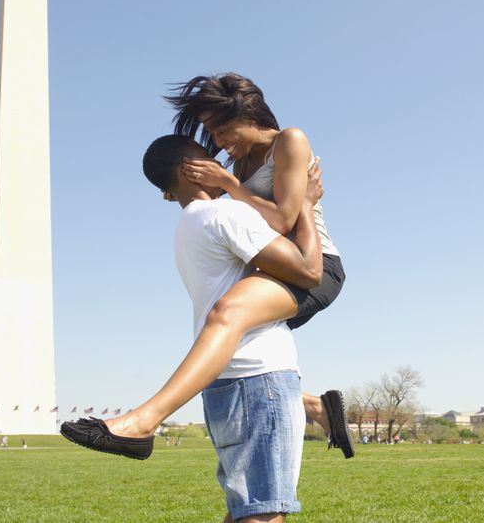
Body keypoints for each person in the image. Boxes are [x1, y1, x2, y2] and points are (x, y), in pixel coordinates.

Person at [64, 135, 322, 521]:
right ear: (191, 169)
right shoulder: (225, 214)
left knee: (246, 509)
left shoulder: (187, 225)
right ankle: (141, 422)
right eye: (209, 159)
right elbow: (308, 270)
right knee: (264, 512)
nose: (222, 166)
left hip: (221, 383)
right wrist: (305, 203)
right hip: (260, 375)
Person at [97, 74, 352, 458]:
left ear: (247, 112)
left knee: (226, 316)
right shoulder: (237, 161)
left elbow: (284, 220)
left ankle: (144, 422)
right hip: (270, 268)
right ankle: (315, 406)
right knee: (222, 345)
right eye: (211, 135)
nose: (217, 143)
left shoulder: (289, 141)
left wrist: (229, 184)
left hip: (314, 265)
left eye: (221, 130)